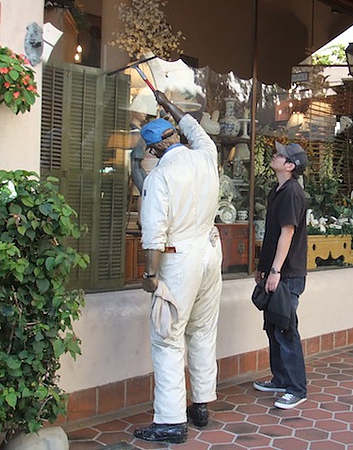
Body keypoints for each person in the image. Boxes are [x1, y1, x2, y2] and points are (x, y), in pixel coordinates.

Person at [133, 91, 223, 445]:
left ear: (154, 149)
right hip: (209, 252)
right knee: (202, 330)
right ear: (175, 135)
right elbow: (196, 129)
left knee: (168, 337)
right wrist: (169, 104)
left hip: (179, 259)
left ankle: (171, 420)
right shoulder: (206, 154)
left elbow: (153, 234)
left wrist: (150, 275)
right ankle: (200, 405)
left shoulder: (160, 177)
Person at [253, 141, 309, 410]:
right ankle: (280, 379)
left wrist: (275, 270)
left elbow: (287, 233)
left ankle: (297, 388)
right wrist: (263, 267)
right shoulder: (277, 191)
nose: (274, 156)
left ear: (290, 165)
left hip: (287, 275)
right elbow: (272, 234)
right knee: (273, 326)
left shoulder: (292, 193)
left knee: (286, 329)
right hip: (275, 272)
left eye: (279, 155)